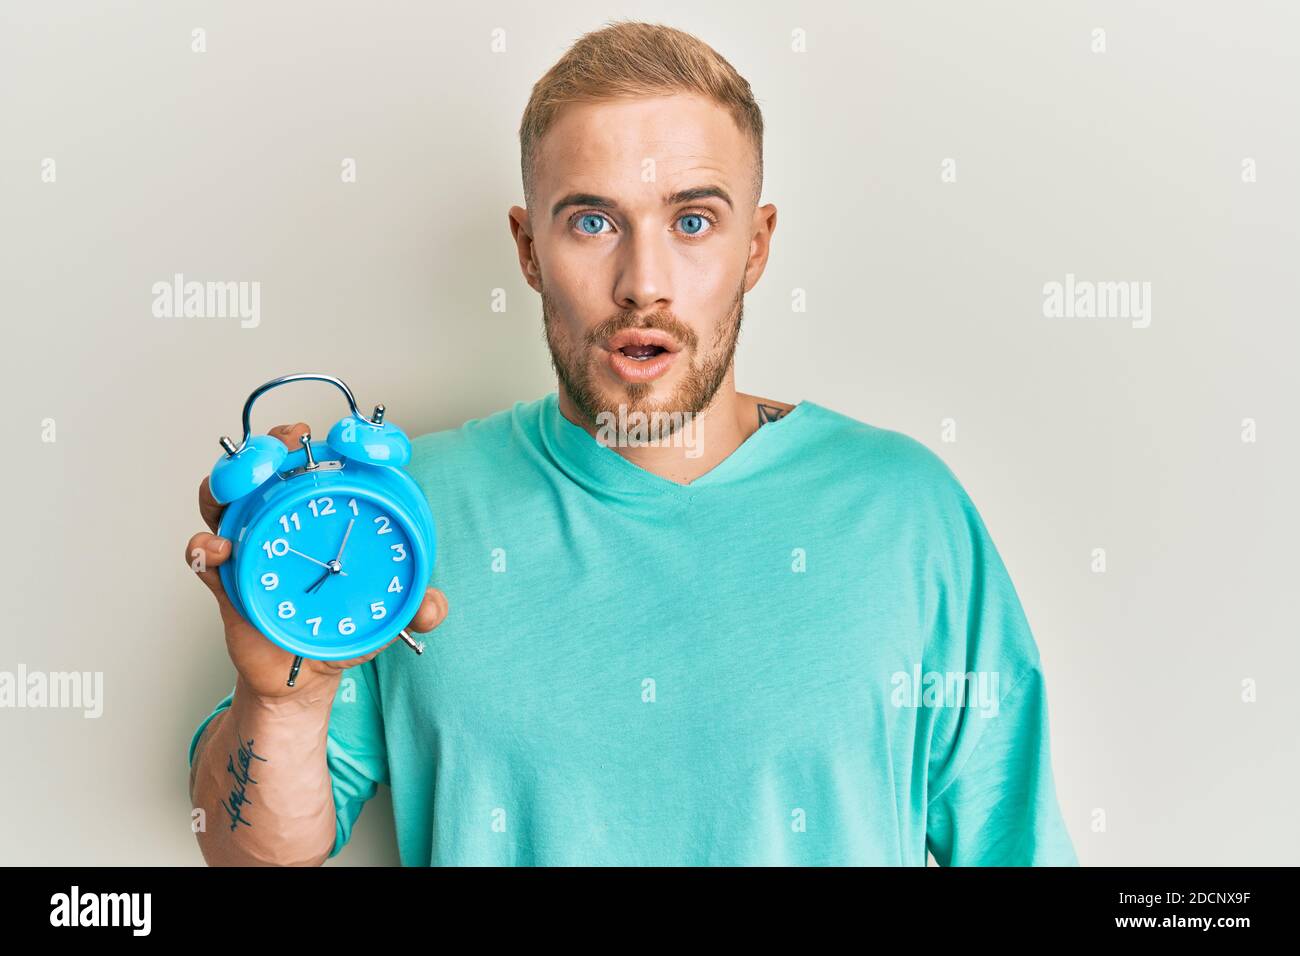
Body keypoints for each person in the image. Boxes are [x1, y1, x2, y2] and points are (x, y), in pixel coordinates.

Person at [186, 20, 1077, 866]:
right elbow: (253, 851)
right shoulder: (399, 522)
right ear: (528, 249)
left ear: (756, 246)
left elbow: (1015, 845)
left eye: (692, 221)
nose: (642, 284)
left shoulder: (904, 511)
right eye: (592, 222)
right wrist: (283, 705)